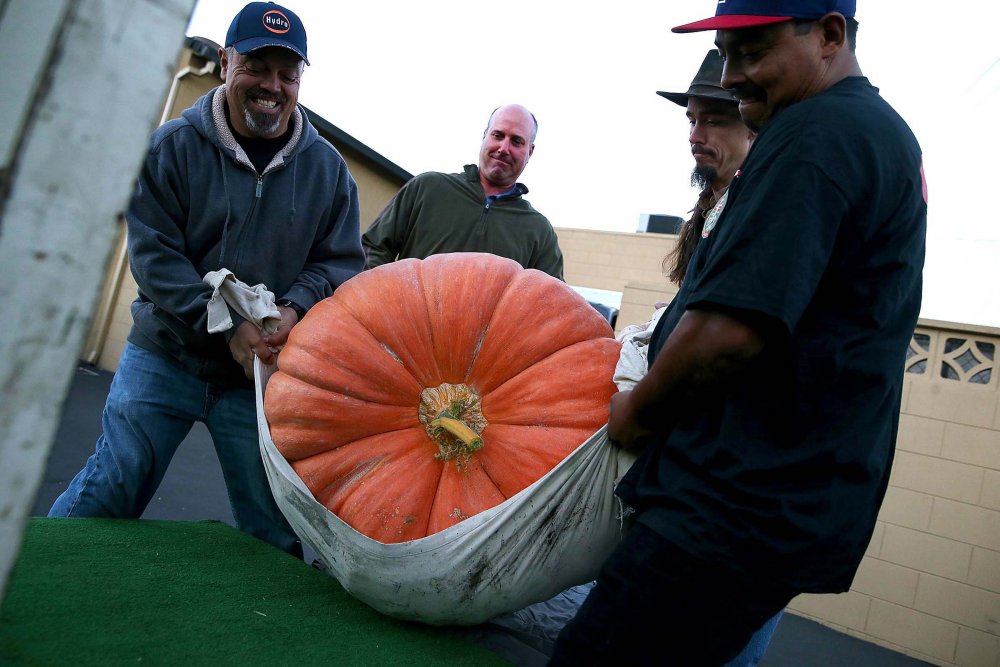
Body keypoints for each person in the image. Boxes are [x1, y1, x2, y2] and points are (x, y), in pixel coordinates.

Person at [551, 1, 927, 664]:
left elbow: (729, 330)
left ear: (831, 35)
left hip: (730, 508)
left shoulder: (820, 131)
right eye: (725, 52)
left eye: (751, 52)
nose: (730, 75)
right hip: (770, 503)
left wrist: (633, 414)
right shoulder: (870, 131)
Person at [49, 2, 364, 557]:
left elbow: (337, 264)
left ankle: (275, 634)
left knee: (274, 525)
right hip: (167, 354)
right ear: (225, 63)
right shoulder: (171, 147)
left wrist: (292, 310)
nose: (272, 86)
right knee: (112, 487)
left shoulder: (328, 171)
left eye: (286, 74)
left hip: (260, 376)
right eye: (257, 67)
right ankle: (32, 576)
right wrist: (224, 323)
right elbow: (154, 256)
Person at [361, 104, 564, 279]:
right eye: (498, 135)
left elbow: (552, 305)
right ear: (485, 136)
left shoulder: (539, 231)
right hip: (405, 322)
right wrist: (387, 303)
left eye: (516, 141)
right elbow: (373, 248)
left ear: (530, 151)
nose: (504, 147)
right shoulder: (427, 188)